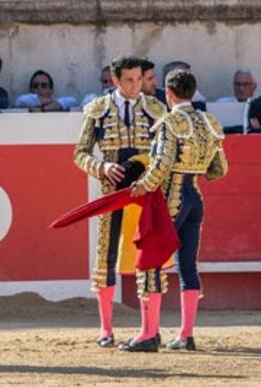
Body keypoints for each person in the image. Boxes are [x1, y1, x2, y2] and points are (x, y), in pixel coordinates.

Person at [124, 69, 229, 352]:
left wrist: (143, 185)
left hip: (173, 196)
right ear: (192, 92)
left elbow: (161, 165)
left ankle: (149, 334)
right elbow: (219, 170)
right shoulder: (208, 122)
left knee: (149, 261)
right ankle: (186, 334)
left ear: (169, 94)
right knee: (186, 265)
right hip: (195, 195)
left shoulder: (169, 122)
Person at [73, 55, 166, 348]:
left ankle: (150, 329)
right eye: (129, 80)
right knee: (106, 255)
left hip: (145, 189)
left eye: (139, 79)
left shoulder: (156, 109)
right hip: (111, 189)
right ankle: (105, 329)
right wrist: (101, 167)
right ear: (115, 80)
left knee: (149, 257)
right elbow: (79, 153)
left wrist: (151, 176)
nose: (135, 86)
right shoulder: (97, 110)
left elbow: (165, 151)